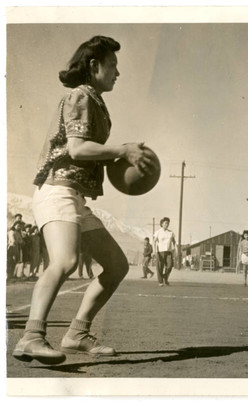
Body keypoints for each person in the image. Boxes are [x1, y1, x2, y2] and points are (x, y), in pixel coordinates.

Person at [13, 36, 156, 365]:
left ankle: (77, 333)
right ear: (94, 66)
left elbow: (86, 153)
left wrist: (123, 156)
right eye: (114, 66)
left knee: (117, 265)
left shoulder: (95, 100)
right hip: (57, 191)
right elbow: (77, 150)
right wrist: (122, 150)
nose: (118, 73)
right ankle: (31, 336)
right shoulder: (80, 95)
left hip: (75, 197)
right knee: (64, 261)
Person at [153, 217, 176, 286]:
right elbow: (154, 242)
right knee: (160, 267)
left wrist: (174, 249)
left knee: (170, 265)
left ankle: (165, 277)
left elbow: (174, 242)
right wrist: (154, 251)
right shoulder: (158, 232)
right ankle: (160, 281)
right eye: (165, 223)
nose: (167, 224)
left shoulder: (171, 232)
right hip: (160, 252)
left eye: (168, 223)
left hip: (168, 252)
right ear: (162, 224)